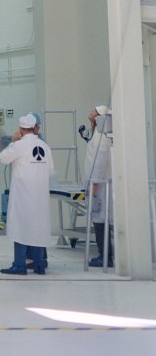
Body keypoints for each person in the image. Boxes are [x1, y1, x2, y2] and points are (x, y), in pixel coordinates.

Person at [0, 113, 52, 275]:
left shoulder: (19, 145)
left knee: (20, 228)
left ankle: (19, 265)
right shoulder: (44, 146)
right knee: (37, 227)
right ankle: (39, 265)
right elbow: (50, 169)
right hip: (40, 195)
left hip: (23, 194)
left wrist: (13, 142)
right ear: (35, 128)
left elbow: (3, 158)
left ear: (21, 129)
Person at [85, 104, 114, 268]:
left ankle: (105, 256)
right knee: (99, 219)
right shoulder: (97, 134)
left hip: (99, 186)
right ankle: (104, 255)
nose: (91, 112)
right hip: (95, 183)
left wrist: (94, 184)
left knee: (100, 220)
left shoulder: (102, 138)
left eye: (94, 110)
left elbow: (100, 162)